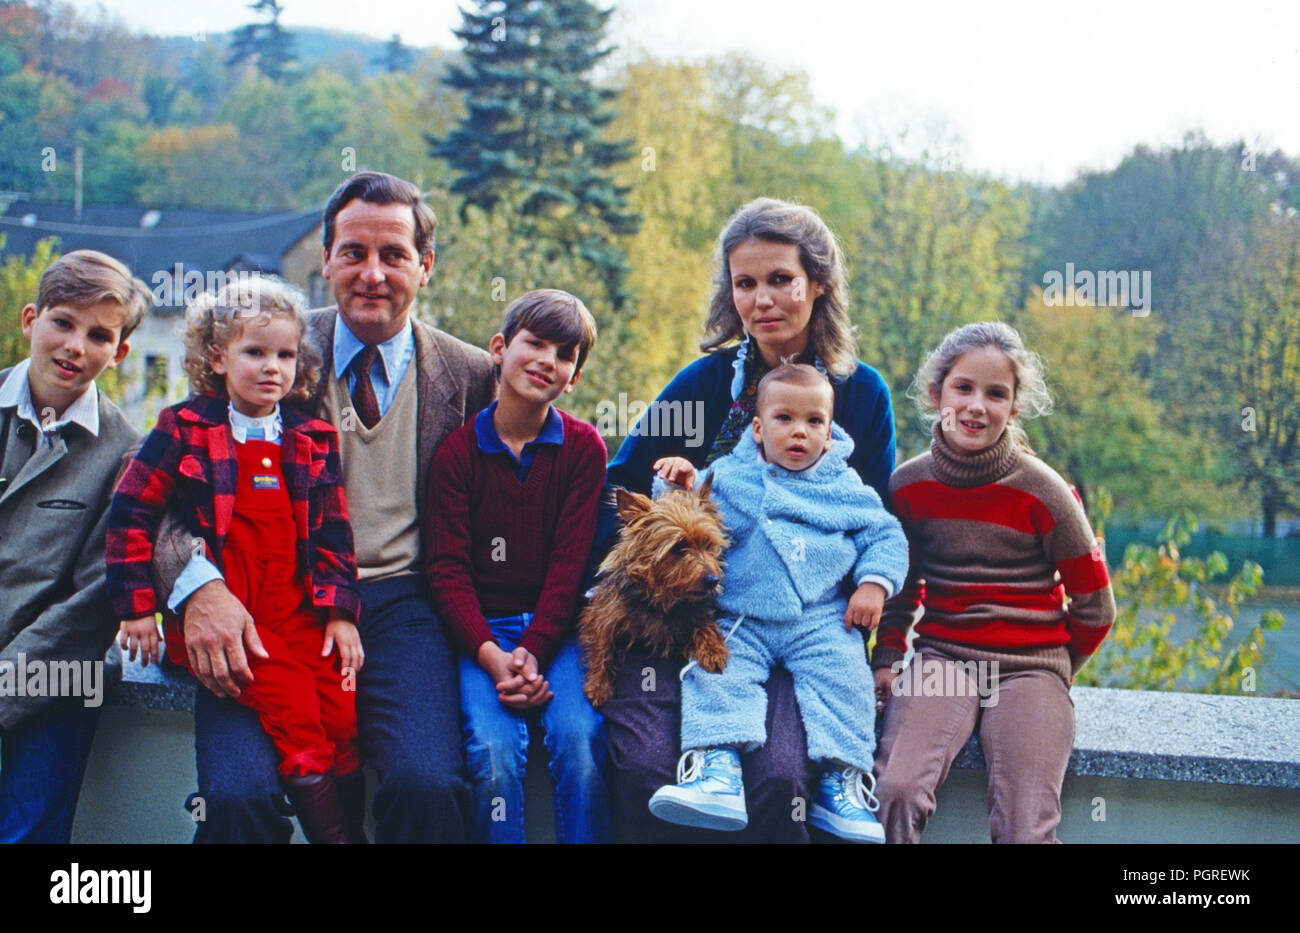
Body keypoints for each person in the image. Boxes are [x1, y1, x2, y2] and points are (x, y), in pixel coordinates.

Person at [151, 171, 495, 843]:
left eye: (393, 254)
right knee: (238, 795)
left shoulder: (471, 375)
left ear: (425, 266)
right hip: (265, 602)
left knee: (427, 785)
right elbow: (157, 501)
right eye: (353, 252)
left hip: (404, 607)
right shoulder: (266, 348)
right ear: (326, 260)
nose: (372, 273)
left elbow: (542, 470)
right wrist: (201, 588)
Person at [592, 197, 897, 843]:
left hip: (811, 624)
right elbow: (620, 484)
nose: (763, 299)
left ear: (818, 282)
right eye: (745, 282)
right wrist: (663, 507)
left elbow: (881, 524)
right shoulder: (706, 384)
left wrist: (883, 640)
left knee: (781, 775)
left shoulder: (860, 394)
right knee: (643, 762)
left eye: (780, 279)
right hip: (692, 616)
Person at [108, 278, 366, 843]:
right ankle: (336, 837)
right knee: (293, 702)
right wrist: (134, 608)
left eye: (285, 354)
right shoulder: (184, 429)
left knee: (343, 709)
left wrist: (341, 613)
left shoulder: (313, 439)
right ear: (216, 357)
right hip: (230, 627)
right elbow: (131, 514)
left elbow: (332, 535)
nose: (273, 367)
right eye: (255, 352)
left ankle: (347, 811)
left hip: (297, 613)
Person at [871, 321, 1116, 844]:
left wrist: (1053, 667)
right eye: (963, 388)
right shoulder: (907, 486)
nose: (977, 406)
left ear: (1014, 407)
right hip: (944, 660)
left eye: (996, 393)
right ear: (937, 394)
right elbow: (898, 583)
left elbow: (1096, 605)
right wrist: (888, 656)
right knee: (895, 788)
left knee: (1025, 824)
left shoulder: (1045, 492)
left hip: (1031, 671)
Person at [647, 364, 907, 843]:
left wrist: (874, 583)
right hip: (744, 615)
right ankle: (715, 769)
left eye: (814, 422)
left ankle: (841, 781)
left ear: (829, 434)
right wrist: (676, 483)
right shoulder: (728, 476)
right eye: (784, 419)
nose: (799, 433)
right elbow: (684, 514)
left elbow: (886, 534)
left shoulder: (843, 486)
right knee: (716, 670)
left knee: (846, 679)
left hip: (821, 618)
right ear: (759, 428)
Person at [426, 288, 611, 843]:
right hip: (480, 635)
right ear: (500, 349)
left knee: (582, 743)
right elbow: (447, 571)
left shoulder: (583, 450)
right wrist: (492, 655)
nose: (545, 361)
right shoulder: (457, 454)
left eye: (563, 355)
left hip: (557, 632)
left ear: (573, 377)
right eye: (534, 344)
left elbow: (570, 565)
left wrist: (536, 648)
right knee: (493, 751)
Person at [0, 249, 150, 843]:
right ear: (31, 319)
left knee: (28, 829)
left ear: (119, 354)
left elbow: (94, 599)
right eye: (63, 322)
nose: (74, 347)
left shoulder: (126, 453)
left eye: (98, 336)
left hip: (56, 665)